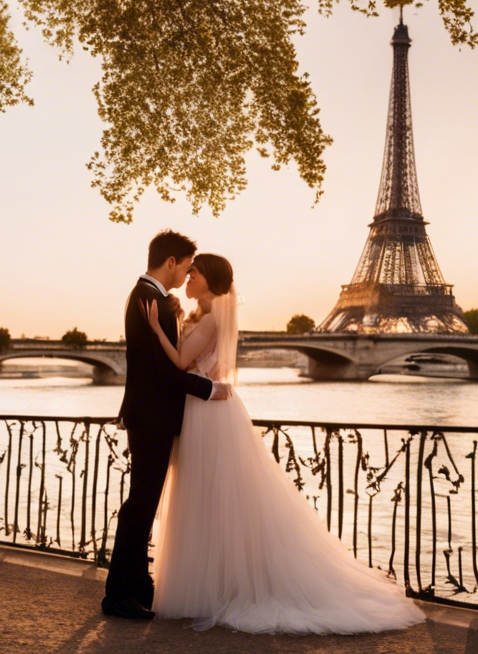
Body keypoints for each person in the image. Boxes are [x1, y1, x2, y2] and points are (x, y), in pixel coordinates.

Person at [142, 253, 424, 634]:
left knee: (205, 497)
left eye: (194, 273)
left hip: (206, 413)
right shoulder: (206, 317)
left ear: (210, 280)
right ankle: (220, 584)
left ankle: (208, 588)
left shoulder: (209, 320)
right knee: (215, 499)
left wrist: (158, 330)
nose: (188, 277)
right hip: (210, 409)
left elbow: (179, 363)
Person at [101, 231, 230, 621]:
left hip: (152, 415)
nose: (188, 274)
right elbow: (161, 368)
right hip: (152, 416)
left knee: (144, 503)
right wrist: (206, 388)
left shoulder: (154, 297)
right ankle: (118, 594)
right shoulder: (148, 297)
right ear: (171, 262)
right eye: (187, 266)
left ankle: (137, 586)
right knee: (140, 505)